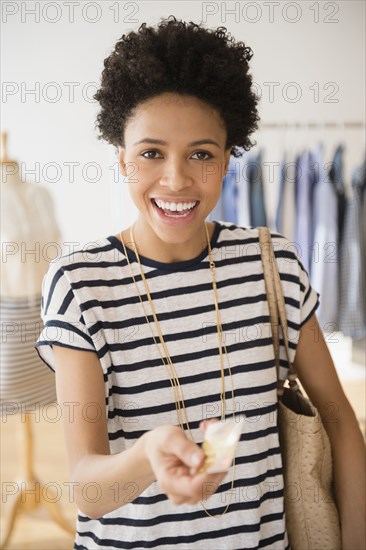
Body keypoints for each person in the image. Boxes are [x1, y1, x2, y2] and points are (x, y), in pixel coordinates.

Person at [35, 15, 365, 550]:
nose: (176, 179)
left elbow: (339, 420)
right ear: (121, 159)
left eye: (201, 154)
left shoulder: (273, 264)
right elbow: (86, 488)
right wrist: (149, 455)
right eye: (151, 153)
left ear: (229, 159)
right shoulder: (81, 284)